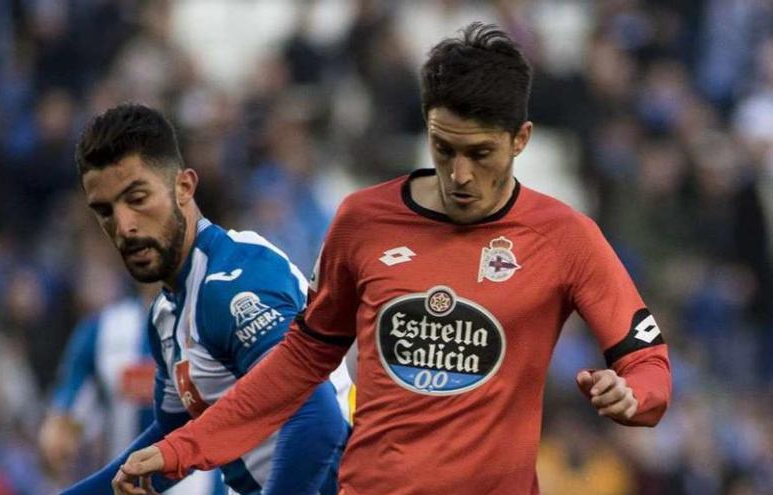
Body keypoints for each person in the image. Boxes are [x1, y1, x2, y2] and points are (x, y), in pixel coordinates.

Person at [116, 22, 673, 495]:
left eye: (480, 154)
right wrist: (181, 450)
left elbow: (648, 365)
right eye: (444, 148)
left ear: (521, 139)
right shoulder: (363, 221)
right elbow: (295, 365)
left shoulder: (565, 237)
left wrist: (635, 397)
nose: (459, 175)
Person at [64, 103, 351, 495]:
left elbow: (318, 420)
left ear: (183, 187)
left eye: (137, 198)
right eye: (104, 211)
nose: (124, 226)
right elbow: (173, 436)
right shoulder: (166, 313)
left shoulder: (233, 282)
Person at [38, 289, 225, 495]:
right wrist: (59, 430)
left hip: (203, 481)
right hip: (123, 481)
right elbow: (68, 403)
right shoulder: (104, 329)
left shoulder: (217, 320)